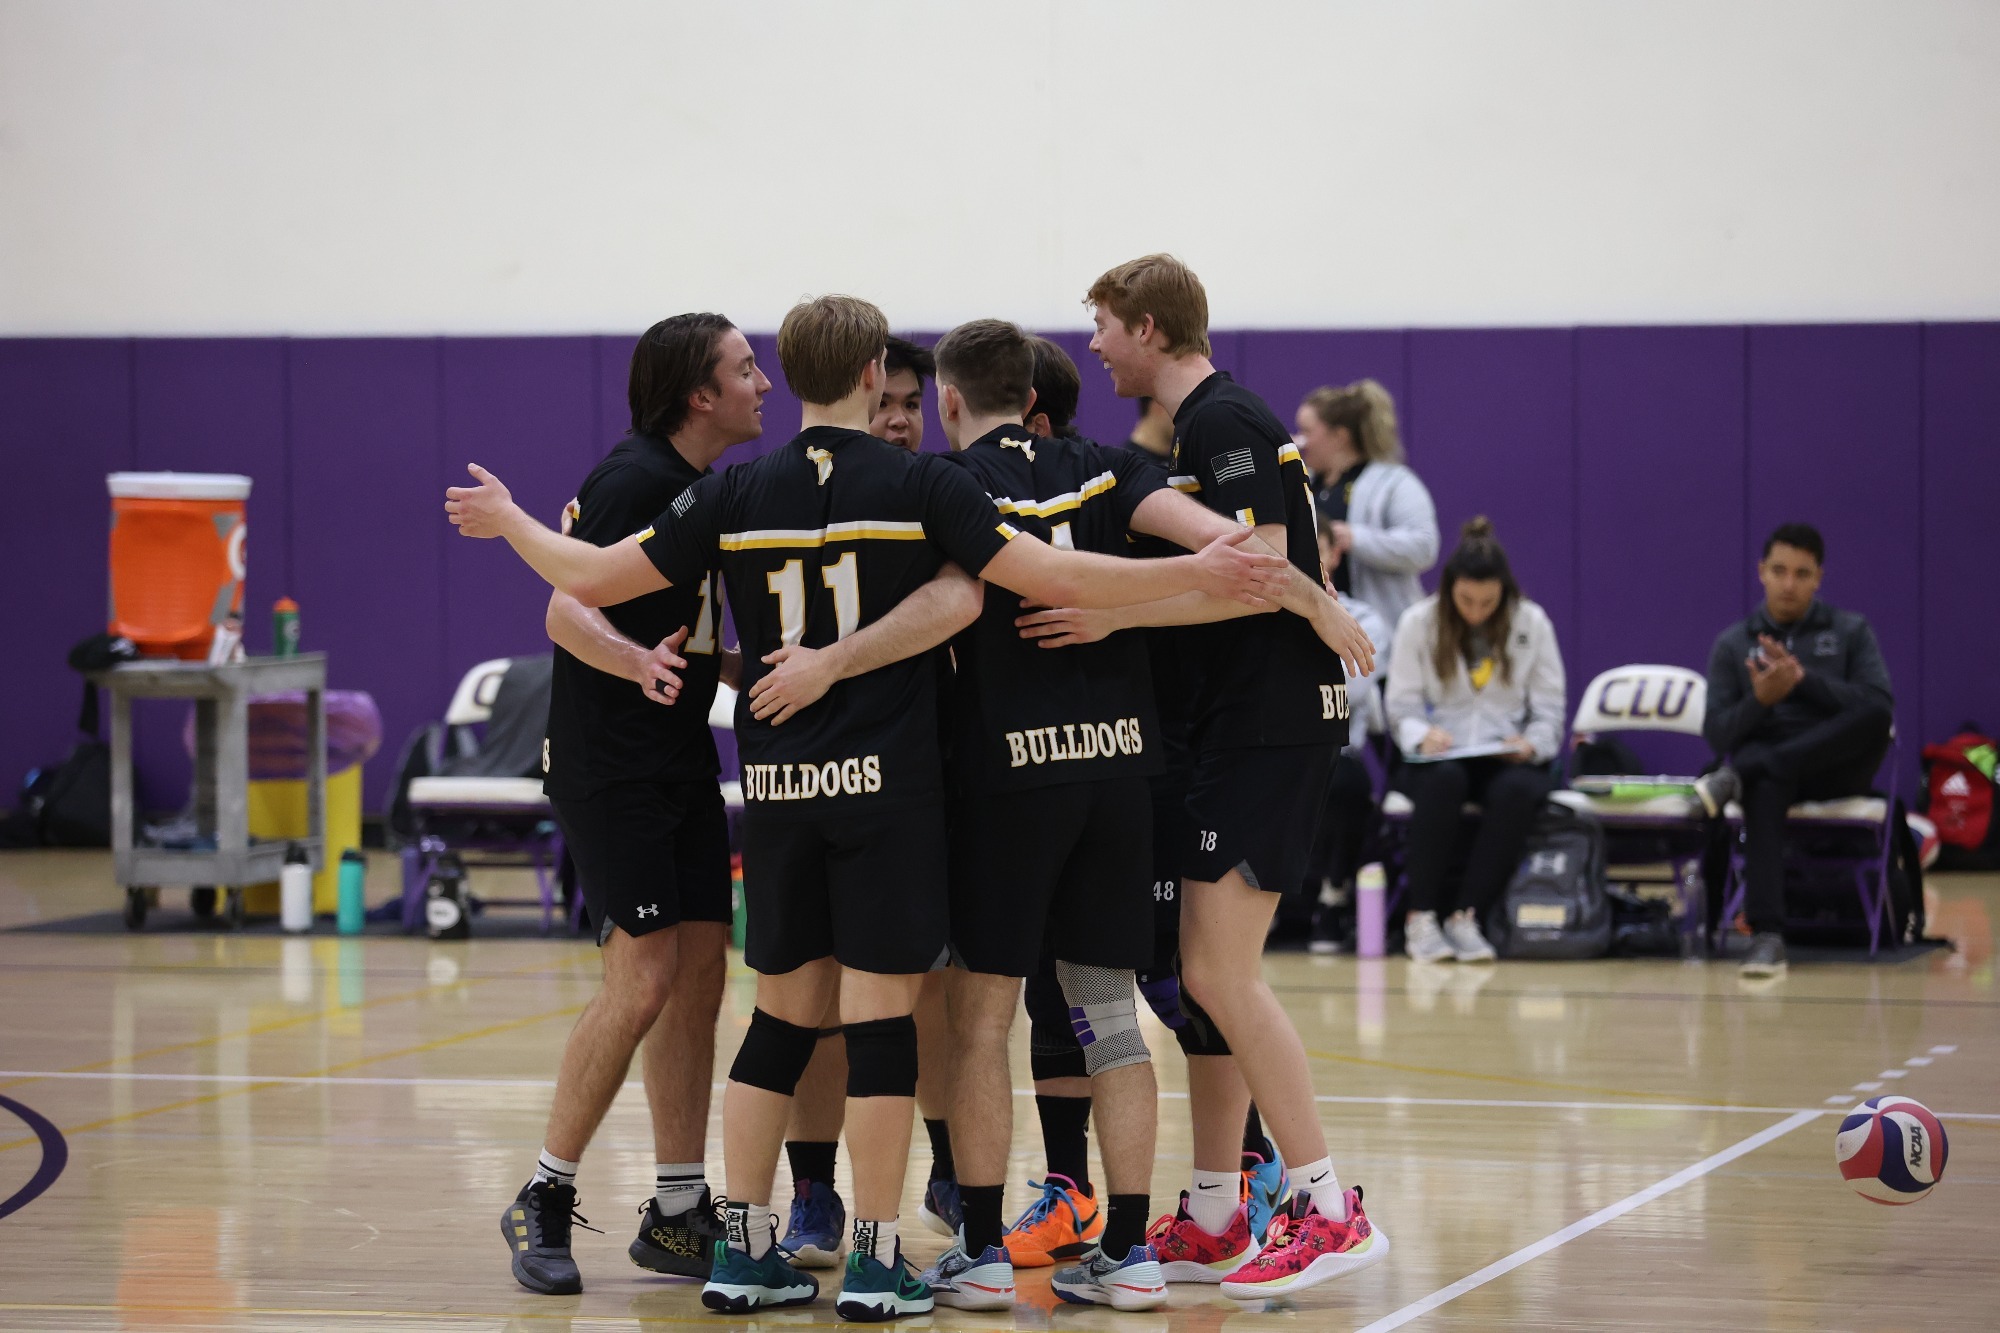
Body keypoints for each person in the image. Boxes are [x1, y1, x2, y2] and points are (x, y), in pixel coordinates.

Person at [446, 293, 1292, 1319]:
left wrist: (508, 523)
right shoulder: (921, 480)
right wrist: (1195, 571)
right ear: (867, 382)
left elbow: (582, 575)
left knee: (779, 1022)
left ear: (798, 378)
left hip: (783, 792)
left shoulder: (731, 492)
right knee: (907, 1022)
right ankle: (890, 1254)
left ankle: (745, 1246)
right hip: (896, 793)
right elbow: (1024, 576)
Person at [1042, 253, 1386, 1301]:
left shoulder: (1220, 422)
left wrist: (1114, 608)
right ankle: (1213, 1212)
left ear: (1146, 326)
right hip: (1246, 725)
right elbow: (1277, 574)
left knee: (1222, 975)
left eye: (1099, 323)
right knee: (1203, 978)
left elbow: (1251, 578)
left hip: (1265, 728)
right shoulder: (1213, 423)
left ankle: (1328, 1208)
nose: (1091, 344)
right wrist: (1317, 600)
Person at [501, 313, 764, 1296]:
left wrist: (735, 664)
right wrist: (630, 659)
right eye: (745, 370)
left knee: (701, 970)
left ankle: (680, 1209)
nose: (762, 383)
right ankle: (543, 1192)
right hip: (609, 765)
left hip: (678, 757)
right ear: (700, 396)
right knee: (644, 976)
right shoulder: (633, 478)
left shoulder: (710, 487)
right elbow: (564, 605)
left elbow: (687, 624)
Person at [777, 327, 956, 1271]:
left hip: (923, 779)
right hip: (817, 783)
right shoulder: (782, 497)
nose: (896, 420)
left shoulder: (932, 497)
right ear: (860, 390)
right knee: (819, 1002)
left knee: (932, 989)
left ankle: (945, 1170)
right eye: (884, 403)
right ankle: (814, 1189)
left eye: (910, 408)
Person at [1695, 523, 1894, 980]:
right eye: (1779, 571)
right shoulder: (1732, 643)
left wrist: (1804, 682)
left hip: (1838, 766)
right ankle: (1767, 937)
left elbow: (1876, 705)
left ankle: (1744, 774)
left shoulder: (1850, 630)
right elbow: (1718, 735)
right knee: (1768, 781)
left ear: (1819, 577)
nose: (1789, 583)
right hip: (1775, 768)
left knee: (1874, 715)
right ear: (1761, 572)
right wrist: (1761, 700)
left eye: (1802, 574)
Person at [1385, 517, 1567, 965]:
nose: (1476, 611)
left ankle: (1467, 917)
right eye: (1466, 600)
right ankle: (1421, 917)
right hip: (1438, 756)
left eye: (1488, 602)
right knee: (1445, 780)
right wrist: (1422, 735)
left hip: (1501, 756)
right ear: (1449, 589)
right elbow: (1400, 707)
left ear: (1504, 591)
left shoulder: (1533, 623)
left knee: (1520, 789)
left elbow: (1549, 713)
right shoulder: (1418, 622)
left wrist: (1531, 743)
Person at [1296, 381, 1439, 639]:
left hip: (1380, 631)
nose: (1299, 440)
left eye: (1306, 431)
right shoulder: (1301, 481)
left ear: (1339, 436)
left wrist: (1356, 538)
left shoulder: (1394, 482)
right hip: (1313, 626)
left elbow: (1424, 546)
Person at [868, 335, 935, 452]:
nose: (900, 421)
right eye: (881, 404)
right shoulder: (827, 467)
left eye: (911, 405)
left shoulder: (939, 469)